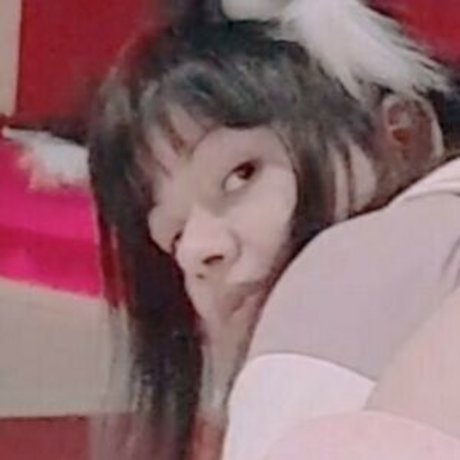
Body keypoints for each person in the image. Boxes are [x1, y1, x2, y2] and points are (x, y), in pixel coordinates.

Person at [88, 0, 456, 459]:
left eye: (242, 174)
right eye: (174, 237)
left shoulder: (337, 285)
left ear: (403, 135)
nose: (199, 250)